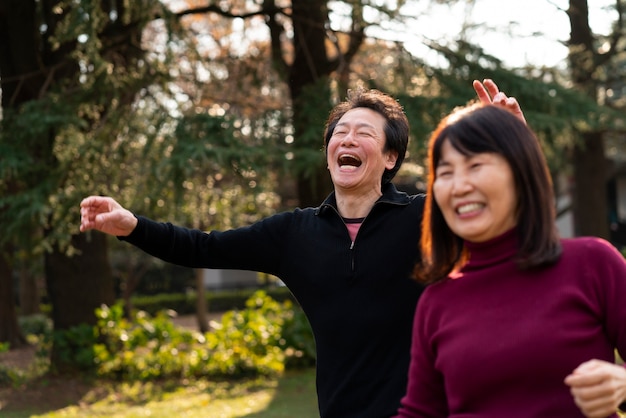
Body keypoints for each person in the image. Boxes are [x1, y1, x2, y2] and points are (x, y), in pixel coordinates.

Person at [80, 80, 523, 418]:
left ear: (390, 158)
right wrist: (131, 226)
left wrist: (511, 141)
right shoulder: (293, 233)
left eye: (364, 133)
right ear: (328, 152)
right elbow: (203, 248)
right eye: (340, 133)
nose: (347, 140)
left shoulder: (426, 217)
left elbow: (496, 207)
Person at [394, 103, 626, 418]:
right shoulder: (436, 302)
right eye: (445, 172)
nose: (459, 186)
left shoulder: (592, 263)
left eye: (475, 165)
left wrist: (622, 384)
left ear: (520, 172)